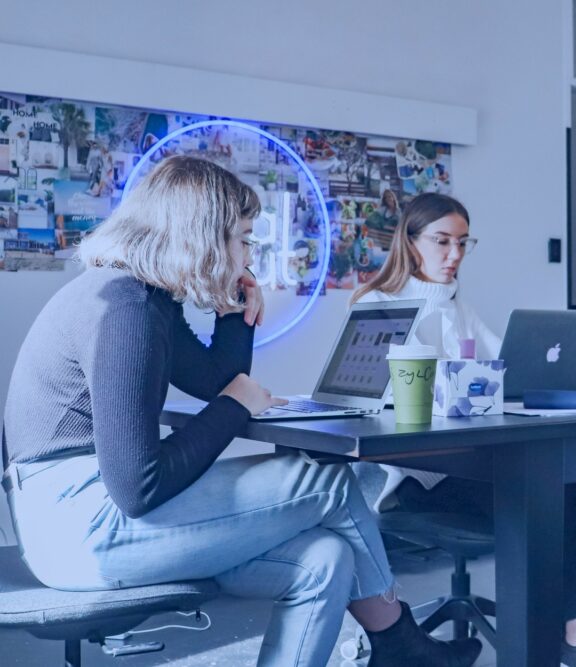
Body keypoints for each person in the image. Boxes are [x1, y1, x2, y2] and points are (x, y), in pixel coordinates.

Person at [1, 156, 481, 667]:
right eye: (245, 239)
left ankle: (396, 648)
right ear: (205, 237)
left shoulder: (144, 297)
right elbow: (138, 486)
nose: (250, 253)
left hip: (82, 516)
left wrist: (234, 316)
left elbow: (213, 380)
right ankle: (402, 645)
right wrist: (236, 406)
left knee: (326, 558)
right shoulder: (126, 311)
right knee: (332, 483)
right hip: (79, 527)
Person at [351, 192, 576, 667]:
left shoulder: (461, 309)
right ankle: (559, 639)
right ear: (410, 243)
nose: (454, 255)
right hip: (418, 478)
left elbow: (509, 370)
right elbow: (386, 406)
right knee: (558, 496)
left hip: (476, 466)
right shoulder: (378, 305)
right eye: (442, 242)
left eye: (462, 243)